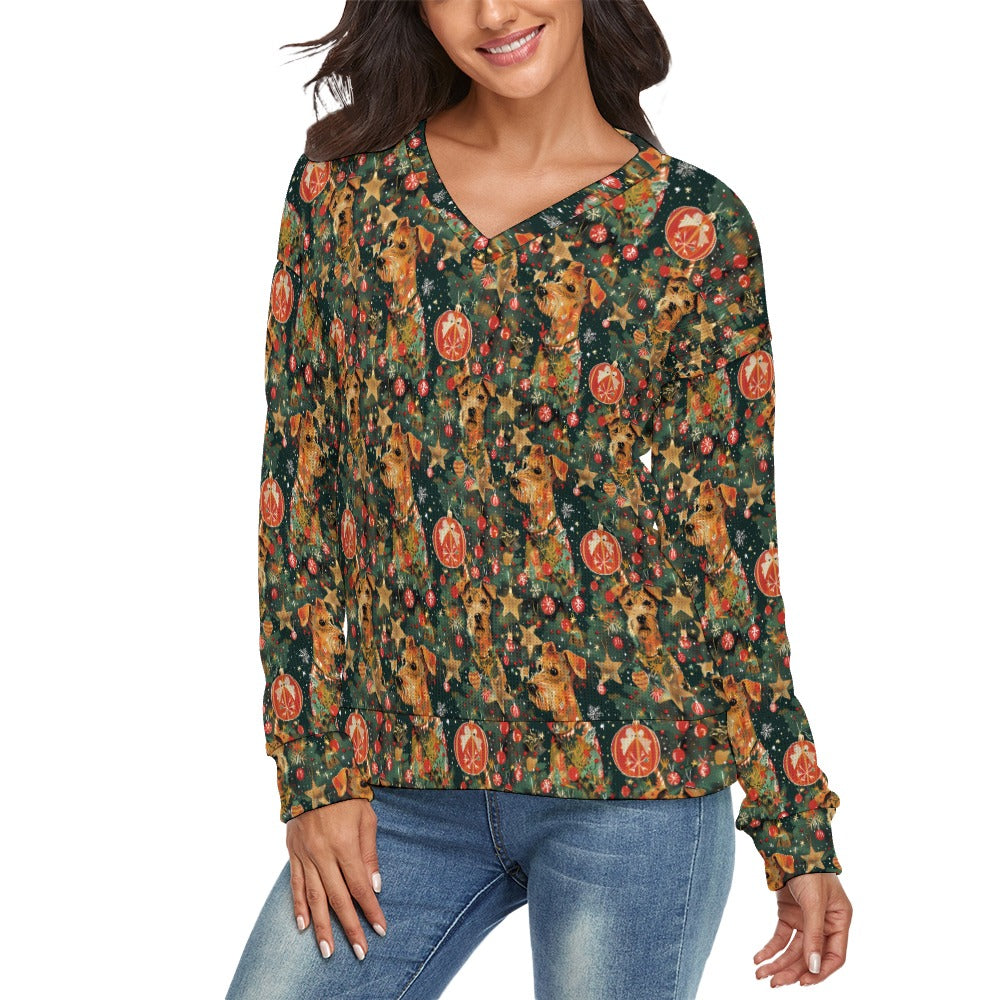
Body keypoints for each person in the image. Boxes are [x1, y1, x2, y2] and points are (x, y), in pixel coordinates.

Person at [228, 2, 853, 997]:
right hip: (398, 788)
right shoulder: (345, 195)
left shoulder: (688, 228)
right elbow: (299, 495)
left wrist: (796, 824)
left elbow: (730, 549)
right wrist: (312, 774)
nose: (494, 12)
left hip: (637, 787)